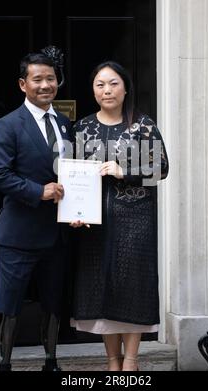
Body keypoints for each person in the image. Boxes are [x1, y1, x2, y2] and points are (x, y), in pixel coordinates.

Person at [70, 61, 169, 371]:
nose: (107, 90)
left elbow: (161, 169)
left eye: (113, 83)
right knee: (102, 291)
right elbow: (72, 174)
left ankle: (131, 361)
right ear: (93, 91)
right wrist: (74, 211)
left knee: (132, 288)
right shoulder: (83, 127)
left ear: (125, 88)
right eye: (100, 85)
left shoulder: (142, 125)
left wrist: (124, 172)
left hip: (135, 220)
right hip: (94, 222)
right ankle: (112, 361)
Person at [0, 46, 71, 371]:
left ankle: (51, 361)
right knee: (11, 303)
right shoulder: (7, 125)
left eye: (50, 78)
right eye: (38, 79)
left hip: (57, 234)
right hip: (19, 233)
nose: (45, 85)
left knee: (53, 300)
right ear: (23, 84)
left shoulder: (64, 124)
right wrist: (39, 191)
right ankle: (5, 364)